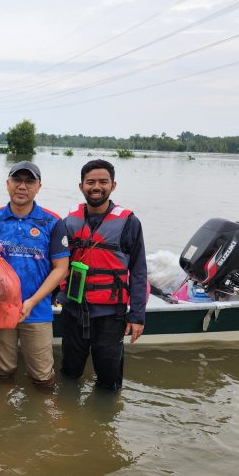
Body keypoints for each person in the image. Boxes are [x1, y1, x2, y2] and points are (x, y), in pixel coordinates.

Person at [0, 161, 70, 387]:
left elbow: (61, 268)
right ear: (8, 184)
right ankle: (3, 414)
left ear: (39, 186)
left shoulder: (52, 221)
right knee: (2, 370)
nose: (22, 186)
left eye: (29, 181)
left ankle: (44, 413)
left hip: (36, 309)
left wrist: (32, 301)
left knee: (43, 375)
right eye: (17, 180)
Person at [59, 159, 147, 391]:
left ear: (113, 185)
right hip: (73, 310)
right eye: (90, 182)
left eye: (102, 182)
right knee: (69, 373)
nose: (96, 187)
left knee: (109, 380)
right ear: (81, 187)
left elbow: (138, 271)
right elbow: (56, 264)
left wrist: (137, 316)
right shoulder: (68, 221)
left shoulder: (130, 223)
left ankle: (105, 419)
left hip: (111, 314)